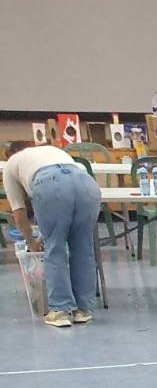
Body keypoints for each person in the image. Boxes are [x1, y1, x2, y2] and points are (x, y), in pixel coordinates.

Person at [3, 138, 101, 327]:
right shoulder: (51, 151)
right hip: (86, 183)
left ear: (10, 154)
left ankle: (60, 311)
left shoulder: (11, 165)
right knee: (83, 248)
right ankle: (83, 309)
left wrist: (31, 242)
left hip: (49, 183)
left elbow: (18, 213)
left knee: (54, 248)